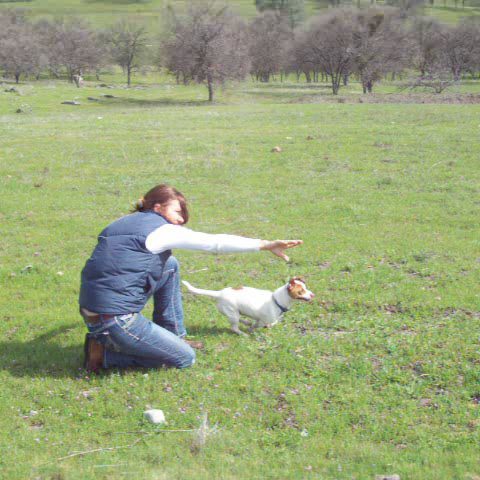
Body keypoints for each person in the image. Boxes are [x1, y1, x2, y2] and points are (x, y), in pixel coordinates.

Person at [79, 184, 302, 372]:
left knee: (169, 265)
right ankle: (104, 356)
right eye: (177, 212)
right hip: (117, 320)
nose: (180, 220)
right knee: (185, 359)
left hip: (94, 313)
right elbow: (215, 243)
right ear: (157, 206)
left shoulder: (121, 223)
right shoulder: (161, 230)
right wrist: (264, 244)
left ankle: (175, 335)